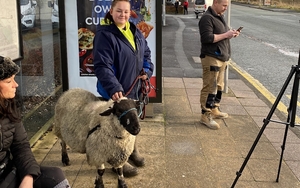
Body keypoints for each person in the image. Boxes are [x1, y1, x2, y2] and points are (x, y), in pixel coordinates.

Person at [93, 0, 154, 177]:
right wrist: (114, 87)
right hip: (115, 92)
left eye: (126, 12)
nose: (123, 15)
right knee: (114, 129)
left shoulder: (135, 31)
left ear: (131, 13)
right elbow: (102, 65)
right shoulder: (104, 35)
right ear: (111, 12)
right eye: (119, 11)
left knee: (132, 122)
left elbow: (146, 55)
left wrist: (147, 70)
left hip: (133, 89)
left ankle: (132, 151)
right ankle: (118, 160)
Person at [0, 56, 71, 188]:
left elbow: (21, 146)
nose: (16, 84)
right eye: (9, 81)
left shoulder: (10, 107)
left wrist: (28, 177)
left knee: (56, 176)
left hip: (8, 172)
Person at [198, 0, 240, 130]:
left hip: (221, 57)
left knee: (219, 86)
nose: (226, 8)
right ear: (215, 2)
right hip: (211, 57)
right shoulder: (207, 18)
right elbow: (207, 38)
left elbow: (221, 35)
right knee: (210, 87)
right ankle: (205, 115)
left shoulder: (219, 17)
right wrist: (226, 34)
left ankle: (214, 108)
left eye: (227, 6)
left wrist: (231, 34)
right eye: (224, 5)